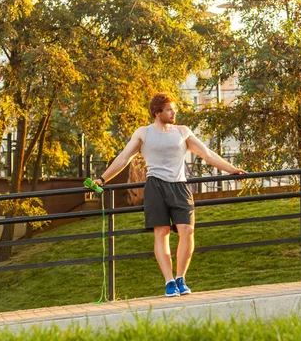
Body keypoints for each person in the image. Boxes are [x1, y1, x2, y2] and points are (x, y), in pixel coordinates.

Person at [91, 92, 246, 297]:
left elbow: (207, 154)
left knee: (187, 231)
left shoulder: (182, 132)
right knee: (161, 232)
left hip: (180, 187)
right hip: (155, 186)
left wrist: (232, 169)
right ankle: (169, 281)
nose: (174, 112)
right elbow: (123, 158)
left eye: (174, 109)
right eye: (169, 109)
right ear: (157, 112)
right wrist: (102, 179)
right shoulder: (143, 133)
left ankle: (181, 278)